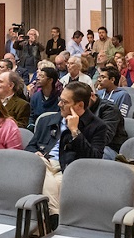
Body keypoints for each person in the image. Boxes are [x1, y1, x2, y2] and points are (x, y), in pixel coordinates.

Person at [24, 82, 108, 213]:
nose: (59, 105)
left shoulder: (97, 126)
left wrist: (75, 131)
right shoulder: (48, 120)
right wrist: (36, 153)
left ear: (79, 105)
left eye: (64, 102)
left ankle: (50, 220)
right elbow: (30, 146)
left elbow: (94, 158)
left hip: (68, 169)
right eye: (60, 100)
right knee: (40, 165)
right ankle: (55, 218)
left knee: (52, 183)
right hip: (44, 162)